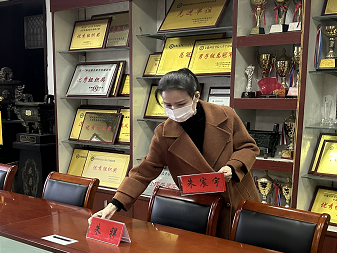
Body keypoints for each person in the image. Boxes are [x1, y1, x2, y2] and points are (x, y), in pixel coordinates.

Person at [89, 68, 260, 239]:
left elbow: (248, 147)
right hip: (201, 209)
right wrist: (113, 205)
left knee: (246, 251)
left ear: (196, 96)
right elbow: (143, 172)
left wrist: (232, 167)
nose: (174, 110)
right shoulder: (164, 134)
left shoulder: (225, 115)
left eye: (181, 104)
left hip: (237, 201)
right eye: (168, 105)